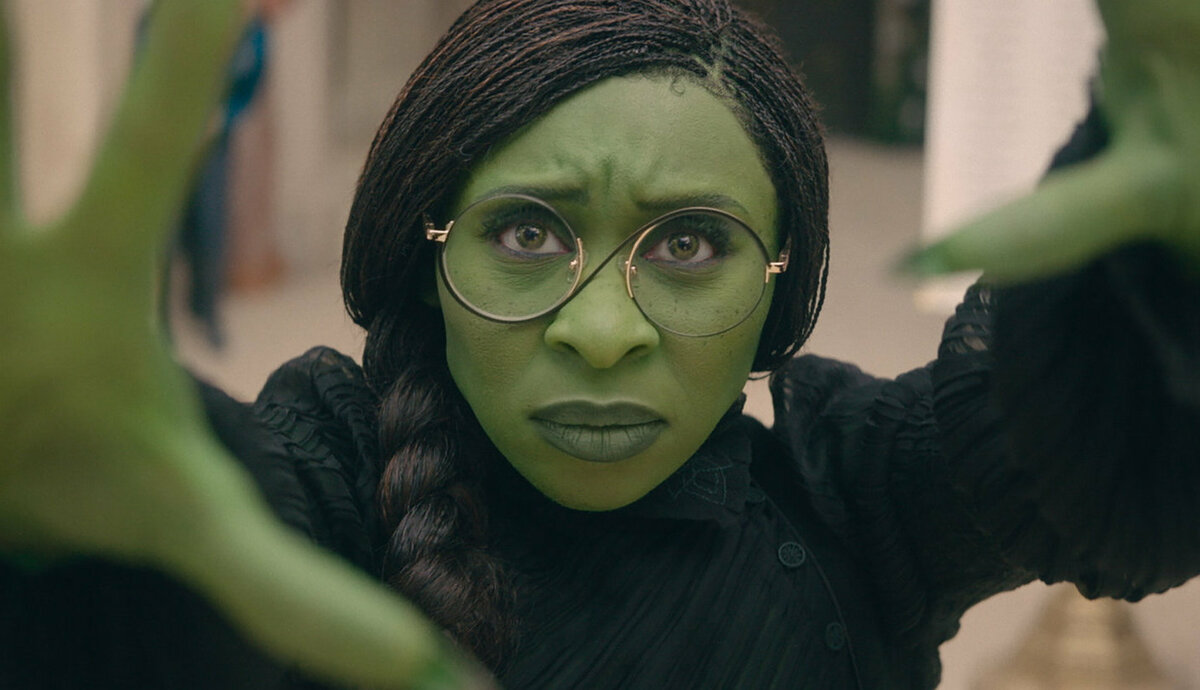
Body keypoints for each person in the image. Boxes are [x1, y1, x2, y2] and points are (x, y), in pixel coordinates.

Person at [1, 0, 1197, 688]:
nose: (604, 334)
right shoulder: (331, 491)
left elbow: (1086, 450)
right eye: (527, 233)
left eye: (689, 245)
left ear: (779, 279)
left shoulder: (857, 505)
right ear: (425, 253)